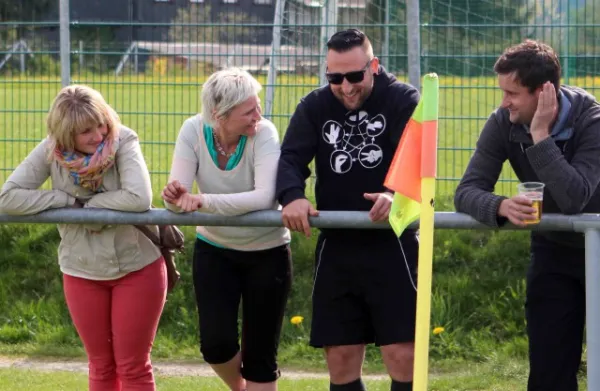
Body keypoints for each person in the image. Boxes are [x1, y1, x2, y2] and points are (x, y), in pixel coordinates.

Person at [275, 29, 420, 391]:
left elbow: (418, 160)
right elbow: (291, 157)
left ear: (373, 65)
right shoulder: (315, 105)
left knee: (402, 355)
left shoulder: (404, 99)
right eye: (335, 78)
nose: (346, 87)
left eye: (355, 76)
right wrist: (292, 195)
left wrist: (395, 194)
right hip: (338, 243)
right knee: (339, 356)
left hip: (392, 243)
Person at [454, 39, 600, 391]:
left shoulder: (592, 121)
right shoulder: (502, 121)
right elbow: (466, 191)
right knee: (549, 372)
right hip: (552, 251)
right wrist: (498, 206)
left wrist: (539, 135)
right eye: (502, 92)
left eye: (512, 93)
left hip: (598, 245)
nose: (504, 103)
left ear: (544, 92)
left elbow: (574, 198)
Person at [0, 85, 167, 391]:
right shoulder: (51, 150)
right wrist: (62, 200)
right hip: (81, 270)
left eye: (100, 123)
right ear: (65, 135)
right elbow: (7, 198)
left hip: (137, 266)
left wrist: (87, 207)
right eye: (85, 131)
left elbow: (139, 197)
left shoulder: (124, 140)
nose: (98, 135)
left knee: (133, 366)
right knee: (101, 366)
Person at [161, 67, 292, 391]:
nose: (258, 115)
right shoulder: (192, 130)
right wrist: (174, 197)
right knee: (215, 346)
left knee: (261, 358)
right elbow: (179, 201)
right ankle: (240, 388)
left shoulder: (265, 133)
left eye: (257, 106)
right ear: (219, 115)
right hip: (215, 250)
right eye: (249, 111)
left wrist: (201, 200)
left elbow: (264, 198)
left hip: (268, 253)